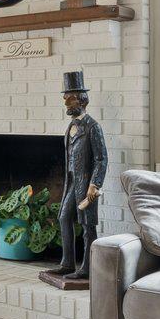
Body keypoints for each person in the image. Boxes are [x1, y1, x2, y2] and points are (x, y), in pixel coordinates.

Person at [54, 69, 107, 280]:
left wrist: (95, 183)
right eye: (65, 98)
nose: (66, 103)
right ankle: (67, 263)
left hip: (86, 185)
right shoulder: (70, 127)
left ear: (82, 100)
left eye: (70, 99)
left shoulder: (93, 127)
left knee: (87, 225)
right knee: (64, 217)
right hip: (71, 183)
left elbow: (101, 159)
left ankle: (87, 268)